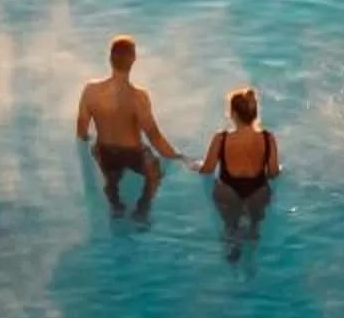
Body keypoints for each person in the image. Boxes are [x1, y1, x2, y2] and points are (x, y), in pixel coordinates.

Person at [75, 35, 181, 210]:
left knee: (110, 178)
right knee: (155, 173)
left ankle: (114, 201)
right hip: (132, 154)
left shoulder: (90, 90)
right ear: (133, 59)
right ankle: (143, 208)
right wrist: (177, 157)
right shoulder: (138, 97)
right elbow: (155, 138)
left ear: (110, 58)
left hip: (104, 152)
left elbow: (81, 130)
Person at [198, 86, 281, 256]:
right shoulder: (267, 138)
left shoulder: (221, 138)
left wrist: (195, 165)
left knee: (230, 226)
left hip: (228, 190)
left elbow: (207, 169)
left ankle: (234, 247)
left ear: (233, 114)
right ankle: (251, 256)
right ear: (255, 113)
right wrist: (281, 169)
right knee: (254, 226)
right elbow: (273, 172)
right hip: (258, 190)